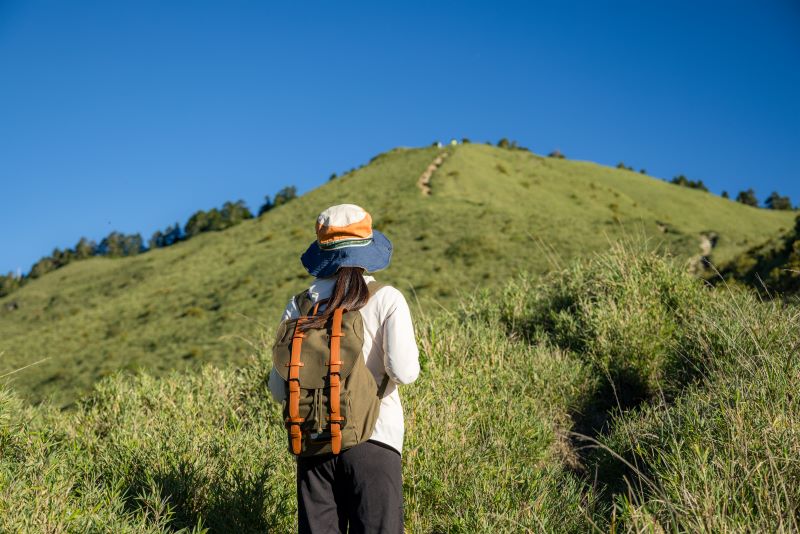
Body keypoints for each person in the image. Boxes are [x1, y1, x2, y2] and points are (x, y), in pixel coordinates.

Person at [268, 203, 420, 533]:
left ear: (323, 250)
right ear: (367, 245)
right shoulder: (386, 297)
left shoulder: (300, 304)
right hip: (376, 442)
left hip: (313, 445)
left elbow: (279, 388)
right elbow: (405, 372)